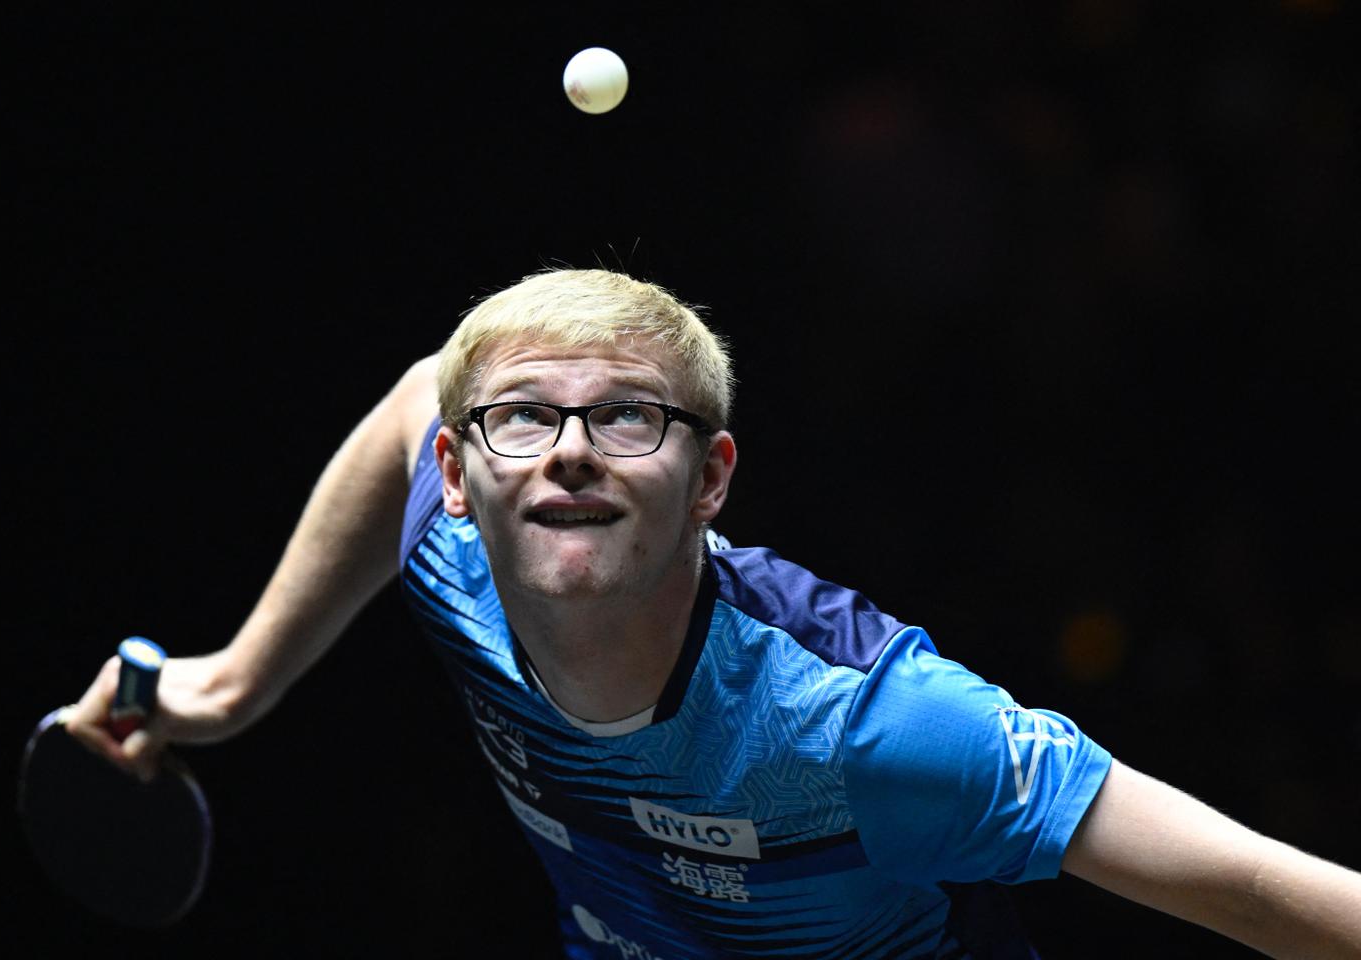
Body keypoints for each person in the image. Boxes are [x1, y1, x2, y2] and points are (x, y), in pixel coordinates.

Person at [69, 269, 1360, 958]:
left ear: (711, 482)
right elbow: (423, 392)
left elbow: (1271, 897)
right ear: (459, 481)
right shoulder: (452, 559)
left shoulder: (872, 729)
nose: (568, 449)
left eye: (629, 416)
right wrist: (229, 685)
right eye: (523, 416)